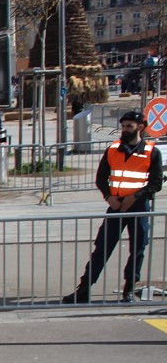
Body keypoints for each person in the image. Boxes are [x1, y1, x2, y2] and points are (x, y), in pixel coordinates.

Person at [63, 110, 163, 303]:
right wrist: (109, 197)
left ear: (140, 127)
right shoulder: (113, 149)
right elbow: (101, 178)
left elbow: (156, 183)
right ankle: (84, 289)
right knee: (102, 248)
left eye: (129, 126)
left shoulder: (151, 152)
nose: (124, 130)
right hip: (116, 206)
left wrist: (134, 197)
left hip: (139, 207)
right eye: (123, 126)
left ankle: (129, 290)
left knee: (138, 249)